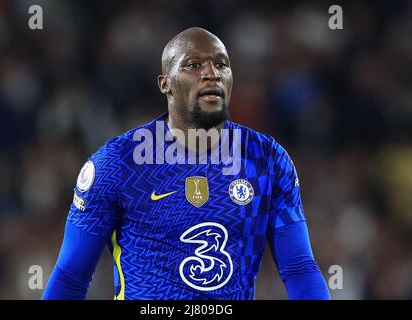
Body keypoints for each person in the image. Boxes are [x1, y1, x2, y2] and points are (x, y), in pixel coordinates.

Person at [42, 27, 330, 300]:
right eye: (193, 65)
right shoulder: (119, 163)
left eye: (221, 64)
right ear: (165, 83)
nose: (212, 74)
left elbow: (299, 268)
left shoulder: (266, 159)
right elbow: (70, 276)